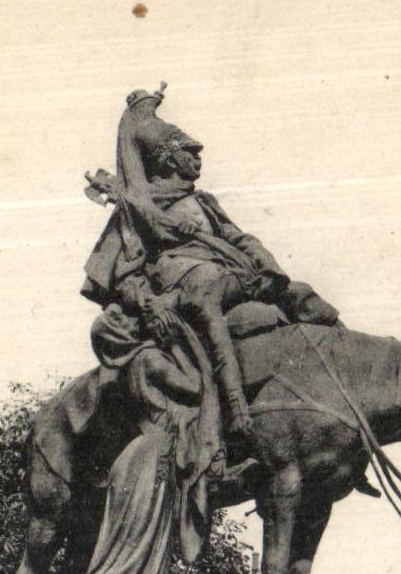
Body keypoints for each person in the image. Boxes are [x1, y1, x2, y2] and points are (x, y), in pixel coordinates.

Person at [82, 85, 340, 455]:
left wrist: (268, 266)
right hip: (184, 283)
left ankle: (349, 370)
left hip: (233, 271)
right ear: (170, 160)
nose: (198, 158)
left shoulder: (203, 201)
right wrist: (149, 303)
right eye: (190, 153)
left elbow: (239, 236)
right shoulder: (137, 207)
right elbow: (124, 269)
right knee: (210, 311)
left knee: (300, 293)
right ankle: (235, 407)